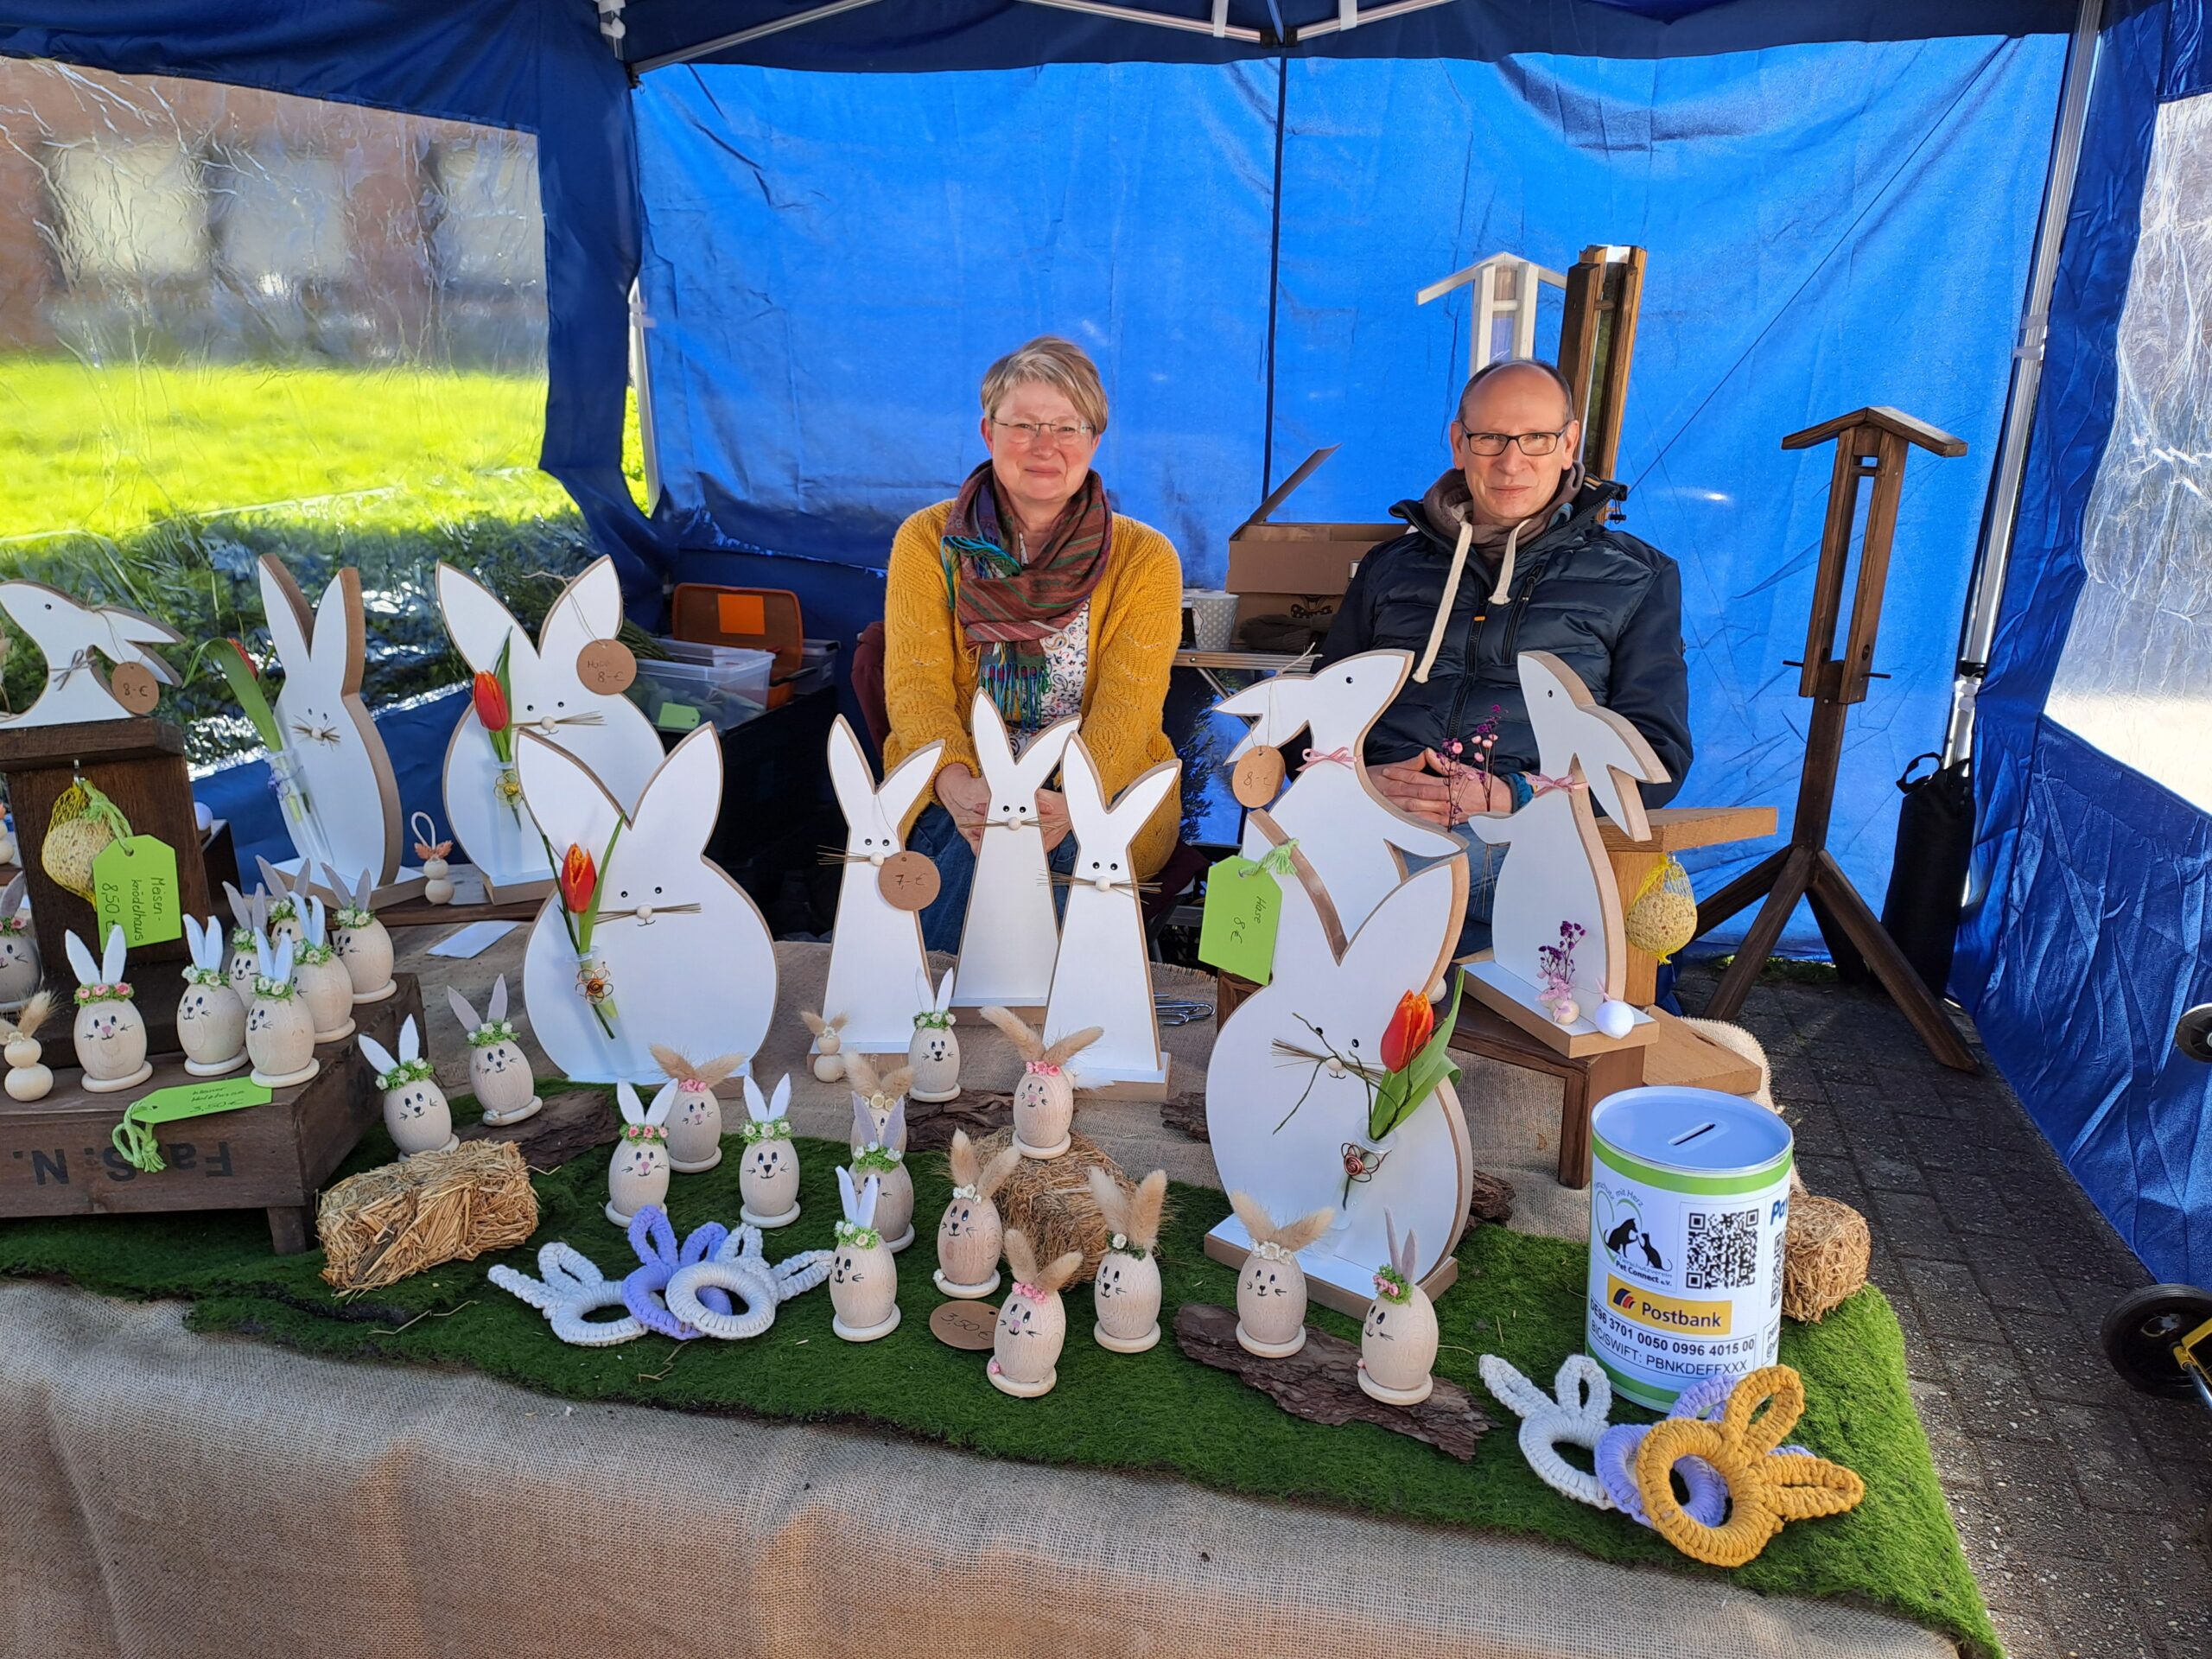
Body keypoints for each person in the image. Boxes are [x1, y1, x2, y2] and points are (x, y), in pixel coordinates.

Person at [1318, 357, 1692, 951]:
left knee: (1376, 895)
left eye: (1536, 438)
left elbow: (1657, 758)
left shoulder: (1635, 577)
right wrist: (1357, 777)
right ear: (1458, 444)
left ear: (1568, 444)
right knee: (1262, 877)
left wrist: (1515, 793)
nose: (1511, 463)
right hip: (1376, 815)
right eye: (1490, 438)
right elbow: (1322, 713)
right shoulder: (1391, 568)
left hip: (1526, 833)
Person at [882, 336, 1183, 952]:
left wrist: (1067, 802)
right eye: (1023, 425)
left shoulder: (1146, 557)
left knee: (1066, 856)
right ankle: (941, 994)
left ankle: (976, 992)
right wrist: (958, 785)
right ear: (988, 433)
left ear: (1093, 441)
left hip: (1095, 784)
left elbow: (1129, 709)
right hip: (960, 780)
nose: (1045, 447)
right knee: (975, 845)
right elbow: (916, 685)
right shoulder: (927, 540)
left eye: (1067, 427)